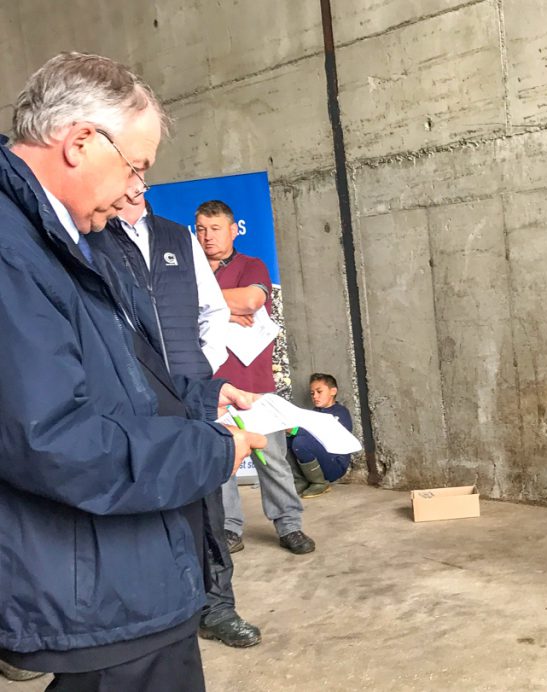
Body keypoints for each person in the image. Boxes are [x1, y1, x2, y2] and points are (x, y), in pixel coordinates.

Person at [0, 52, 266, 691]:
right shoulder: (15, 251)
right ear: (81, 143)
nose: (135, 191)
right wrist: (210, 452)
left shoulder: (62, 238)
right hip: (93, 586)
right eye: (135, 168)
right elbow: (52, 439)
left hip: (122, 570)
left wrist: (200, 396)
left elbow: (121, 374)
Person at [89, 192, 262, 649]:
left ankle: (217, 606)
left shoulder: (176, 237)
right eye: (128, 170)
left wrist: (195, 371)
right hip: (125, 398)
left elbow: (214, 311)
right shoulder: (90, 233)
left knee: (205, 505)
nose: (132, 185)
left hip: (188, 394)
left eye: (141, 171)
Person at [196, 199, 316, 556]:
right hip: (209, 386)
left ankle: (290, 526)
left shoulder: (252, 265)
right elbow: (170, 307)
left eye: (216, 228)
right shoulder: (190, 271)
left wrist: (205, 304)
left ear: (234, 230)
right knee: (223, 461)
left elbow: (250, 300)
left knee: (272, 459)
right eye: (201, 229)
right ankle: (229, 529)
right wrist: (223, 310)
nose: (207, 236)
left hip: (255, 385)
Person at [287, 373, 355, 498]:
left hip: (334, 464)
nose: (315, 396)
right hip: (321, 460)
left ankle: (320, 483)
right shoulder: (314, 413)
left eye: (319, 392)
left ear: (333, 391)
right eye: (312, 393)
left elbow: (323, 435)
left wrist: (295, 430)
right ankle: (301, 480)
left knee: (300, 441)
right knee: (287, 440)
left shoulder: (340, 413)